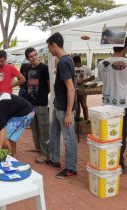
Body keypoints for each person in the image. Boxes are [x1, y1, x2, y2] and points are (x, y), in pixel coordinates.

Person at [98, 39, 127, 174]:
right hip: (124, 104)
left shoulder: (101, 63)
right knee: (122, 136)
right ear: (125, 49)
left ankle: (108, 163)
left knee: (108, 134)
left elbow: (102, 80)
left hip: (107, 103)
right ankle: (119, 163)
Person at [46, 32, 78, 179]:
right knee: (53, 132)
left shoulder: (64, 62)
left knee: (69, 138)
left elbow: (71, 88)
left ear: (55, 45)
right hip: (58, 105)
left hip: (65, 108)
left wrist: (68, 112)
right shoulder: (64, 60)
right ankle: (55, 160)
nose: (49, 50)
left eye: (49, 47)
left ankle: (71, 168)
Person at [23, 47, 50, 163]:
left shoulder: (44, 68)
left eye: (35, 55)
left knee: (43, 129)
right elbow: (27, 83)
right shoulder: (28, 68)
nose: (34, 58)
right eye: (31, 56)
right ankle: (38, 148)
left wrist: (42, 95)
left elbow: (49, 86)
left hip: (41, 103)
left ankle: (45, 154)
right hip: (30, 103)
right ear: (27, 58)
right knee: (34, 129)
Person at [73, 55, 95, 121]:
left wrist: (83, 81)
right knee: (76, 105)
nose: (73, 64)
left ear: (77, 62)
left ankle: (86, 119)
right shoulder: (73, 68)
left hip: (83, 88)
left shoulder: (86, 68)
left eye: (73, 62)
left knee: (84, 104)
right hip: (74, 88)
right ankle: (78, 119)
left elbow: (93, 77)